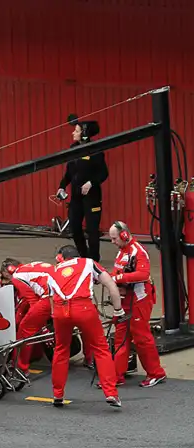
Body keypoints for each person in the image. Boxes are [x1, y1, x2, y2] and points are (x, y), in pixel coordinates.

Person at [49, 244, 125, 408]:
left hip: (60, 309)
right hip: (83, 307)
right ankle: (111, 393)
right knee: (100, 348)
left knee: (61, 349)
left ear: (61, 258)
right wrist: (118, 310)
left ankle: (57, 394)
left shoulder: (53, 271)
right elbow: (111, 285)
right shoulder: (88, 263)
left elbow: (50, 299)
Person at [107, 221, 166, 387]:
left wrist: (117, 279)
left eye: (114, 238)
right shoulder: (121, 252)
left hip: (140, 299)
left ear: (124, 235)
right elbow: (117, 272)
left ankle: (156, 373)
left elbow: (143, 274)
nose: (112, 242)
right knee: (120, 336)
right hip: (126, 300)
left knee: (142, 338)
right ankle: (117, 375)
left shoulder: (138, 251)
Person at [57, 115, 108, 263]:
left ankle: (94, 260)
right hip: (76, 197)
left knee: (92, 230)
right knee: (74, 227)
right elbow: (68, 173)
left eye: (76, 131)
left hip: (92, 197)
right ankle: (83, 255)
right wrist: (61, 187)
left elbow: (104, 173)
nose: (73, 133)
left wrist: (91, 183)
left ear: (84, 134)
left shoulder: (96, 150)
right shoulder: (73, 149)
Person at [0, 258, 56, 377]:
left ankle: (20, 367)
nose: (5, 282)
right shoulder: (32, 267)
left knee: (24, 331)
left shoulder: (17, 277)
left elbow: (33, 302)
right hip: (64, 292)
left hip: (48, 297)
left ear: (8, 271)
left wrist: (43, 326)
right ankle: (89, 359)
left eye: (5, 277)